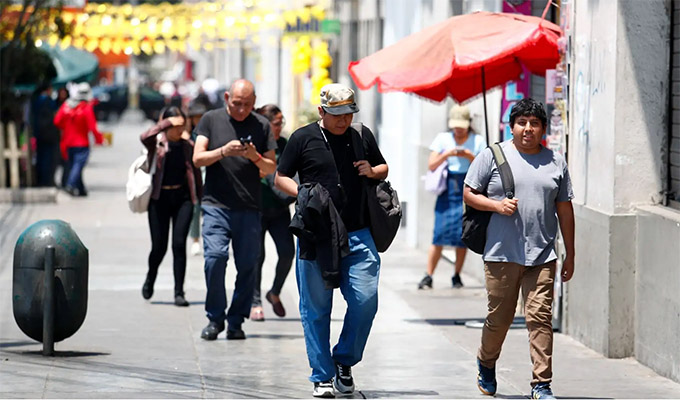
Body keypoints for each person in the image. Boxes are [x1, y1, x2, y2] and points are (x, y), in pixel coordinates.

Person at [275, 83, 388, 398]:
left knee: (365, 301)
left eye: (348, 113)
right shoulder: (303, 138)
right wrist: (304, 194)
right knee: (316, 308)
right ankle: (321, 376)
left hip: (358, 233)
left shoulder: (361, 135)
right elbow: (280, 177)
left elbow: (383, 167)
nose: (343, 120)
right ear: (321, 111)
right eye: (336, 114)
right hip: (317, 234)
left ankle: (344, 360)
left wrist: (372, 170)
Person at [462, 98, 575, 400]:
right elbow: (469, 193)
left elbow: (565, 210)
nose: (528, 129)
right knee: (500, 318)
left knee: (540, 318)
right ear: (511, 127)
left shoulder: (555, 162)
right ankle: (486, 361)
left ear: (543, 129)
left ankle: (541, 383)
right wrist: (496, 205)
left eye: (534, 124)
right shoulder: (492, 156)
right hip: (501, 253)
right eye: (522, 123)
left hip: (543, 254)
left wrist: (570, 253)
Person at [192, 79, 277, 341]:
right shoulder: (211, 119)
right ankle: (215, 317)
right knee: (215, 258)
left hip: (249, 206)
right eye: (236, 103)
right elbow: (198, 158)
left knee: (248, 265)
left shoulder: (261, 125)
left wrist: (254, 156)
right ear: (227, 97)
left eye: (247, 105)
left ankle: (236, 320)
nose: (241, 110)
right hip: (216, 205)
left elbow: (271, 168)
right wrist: (223, 151)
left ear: (254, 102)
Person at [140, 106, 203, 307]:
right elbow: (144, 136)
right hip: (159, 199)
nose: (179, 129)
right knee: (159, 247)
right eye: (175, 125)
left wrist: (201, 199)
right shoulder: (157, 144)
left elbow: (197, 174)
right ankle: (151, 277)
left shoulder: (188, 146)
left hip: (183, 199)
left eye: (181, 124)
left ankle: (179, 292)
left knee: (178, 244)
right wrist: (165, 123)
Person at [418, 105, 486, 290]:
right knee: (438, 234)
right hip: (447, 188)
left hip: (467, 187)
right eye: (456, 126)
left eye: (461, 126)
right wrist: (447, 154)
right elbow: (431, 164)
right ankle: (428, 275)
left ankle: (457, 275)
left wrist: (469, 156)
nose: (458, 130)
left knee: (461, 235)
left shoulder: (477, 140)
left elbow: (483, 167)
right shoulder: (443, 139)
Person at [250, 104, 295, 321]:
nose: (280, 127)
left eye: (281, 122)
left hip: (279, 209)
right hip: (256, 209)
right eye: (277, 123)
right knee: (257, 256)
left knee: (287, 253)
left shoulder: (284, 144)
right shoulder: (255, 145)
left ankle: (274, 292)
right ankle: (255, 302)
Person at [53, 82, 103, 196]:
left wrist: (67, 127)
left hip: (67, 142)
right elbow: (92, 126)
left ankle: (81, 189)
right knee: (78, 165)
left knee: (74, 165)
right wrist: (99, 139)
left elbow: (57, 121)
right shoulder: (86, 108)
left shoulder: (66, 106)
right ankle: (70, 185)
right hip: (81, 143)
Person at [185, 100, 207, 257]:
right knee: (195, 208)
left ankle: (208, 237)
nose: (198, 120)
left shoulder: (209, 132)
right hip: (193, 176)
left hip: (208, 174)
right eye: (196, 117)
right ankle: (195, 239)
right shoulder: (187, 135)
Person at [31, 82, 60, 187]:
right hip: (49, 135)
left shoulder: (35, 101)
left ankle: (40, 180)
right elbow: (55, 117)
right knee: (48, 159)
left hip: (38, 134)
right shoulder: (48, 101)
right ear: (48, 89)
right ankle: (46, 181)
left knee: (40, 157)